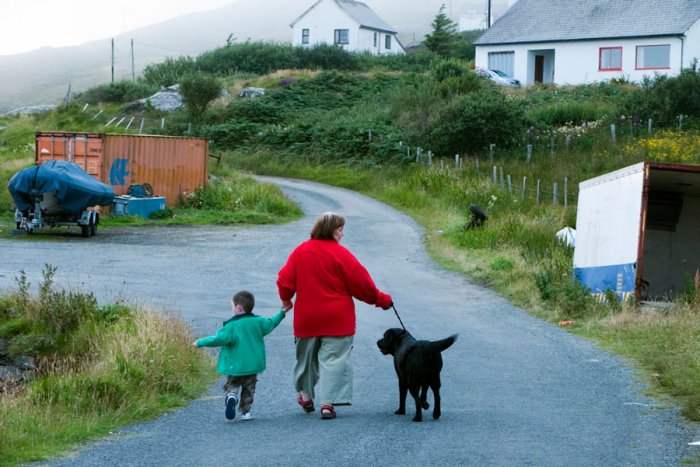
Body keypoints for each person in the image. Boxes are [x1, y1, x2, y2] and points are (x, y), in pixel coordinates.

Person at [277, 212, 392, 420]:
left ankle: (305, 395)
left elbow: (284, 281)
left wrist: (286, 300)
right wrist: (381, 300)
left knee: (305, 359)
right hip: (338, 319)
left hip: (307, 318)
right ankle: (327, 404)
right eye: (340, 230)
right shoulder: (341, 254)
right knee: (334, 360)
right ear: (331, 231)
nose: (342, 235)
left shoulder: (300, 251)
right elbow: (362, 284)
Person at [193, 290, 286, 421]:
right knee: (249, 389)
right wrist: (282, 313)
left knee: (232, 384)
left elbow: (217, 339)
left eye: (232, 306)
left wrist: (200, 342)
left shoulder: (231, 326)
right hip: (252, 365)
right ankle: (246, 412)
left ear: (238, 308)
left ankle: (232, 396)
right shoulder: (258, 322)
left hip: (234, 366)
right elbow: (272, 322)